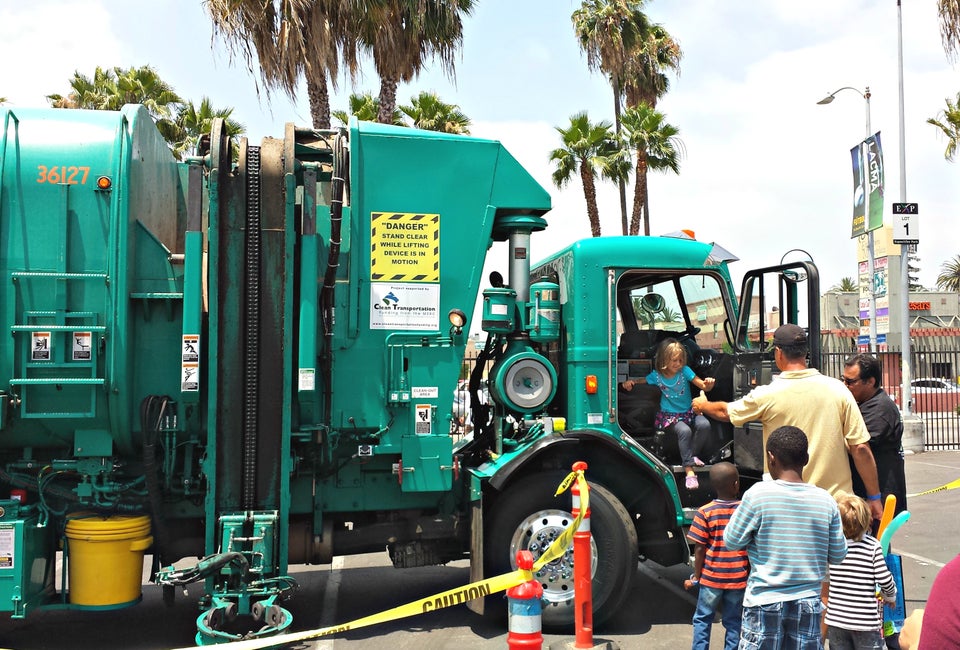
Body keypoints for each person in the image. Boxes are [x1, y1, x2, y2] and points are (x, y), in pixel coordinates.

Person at [692, 323, 884, 521]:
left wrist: (703, 405)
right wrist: (874, 497)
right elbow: (860, 448)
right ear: (805, 353)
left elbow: (725, 412)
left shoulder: (767, 394)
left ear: (778, 352)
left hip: (788, 510)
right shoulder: (839, 389)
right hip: (835, 507)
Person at [724, 425, 847, 649]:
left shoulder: (757, 495)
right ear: (806, 458)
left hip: (764, 601)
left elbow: (732, 541)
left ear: (771, 458)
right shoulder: (826, 500)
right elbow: (838, 555)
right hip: (808, 602)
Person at [622, 338, 716, 489]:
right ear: (664, 359)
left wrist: (708, 385)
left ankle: (692, 456)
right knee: (684, 431)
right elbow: (641, 381)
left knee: (704, 425)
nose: (678, 363)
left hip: (688, 413)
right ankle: (689, 470)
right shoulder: (657, 376)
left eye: (680, 360)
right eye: (674, 360)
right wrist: (630, 383)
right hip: (670, 417)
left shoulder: (685, 372)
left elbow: (702, 385)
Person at [684, 462, 749, 650]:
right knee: (734, 621)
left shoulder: (705, 512)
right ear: (736, 484)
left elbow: (699, 548)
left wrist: (697, 576)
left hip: (711, 579)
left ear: (713, 486)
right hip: (737, 579)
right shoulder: (744, 511)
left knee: (703, 618)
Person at [824, 493, 897, 650]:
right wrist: (890, 596)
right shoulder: (873, 546)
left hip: (836, 620)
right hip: (865, 621)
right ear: (867, 520)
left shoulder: (833, 546)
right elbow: (884, 579)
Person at [842, 354, 908, 516]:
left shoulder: (880, 409)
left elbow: (858, 446)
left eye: (850, 382)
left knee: (876, 541)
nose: (845, 386)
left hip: (878, 498)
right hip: (870, 494)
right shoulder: (866, 404)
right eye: (843, 380)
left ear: (870, 381)